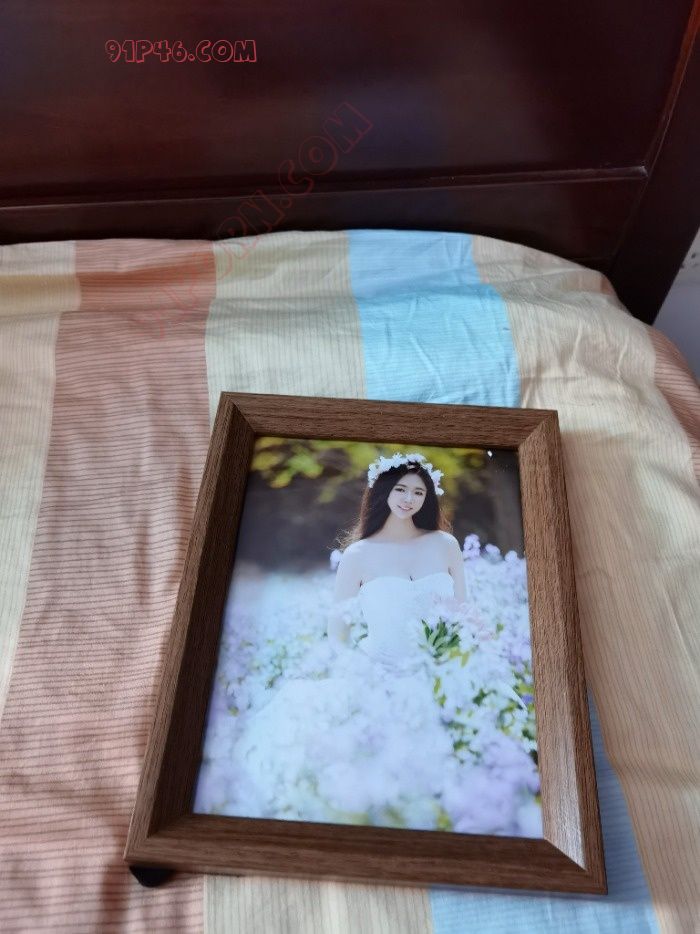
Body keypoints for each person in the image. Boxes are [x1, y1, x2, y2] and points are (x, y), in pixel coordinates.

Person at [328, 452, 467, 667]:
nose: (409, 499)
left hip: (442, 672)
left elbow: (464, 612)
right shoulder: (357, 555)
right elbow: (338, 633)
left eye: (418, 492)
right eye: (400, 489)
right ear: (384, 490)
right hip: (379, 673)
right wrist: (363, 673)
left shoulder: (445, 544)